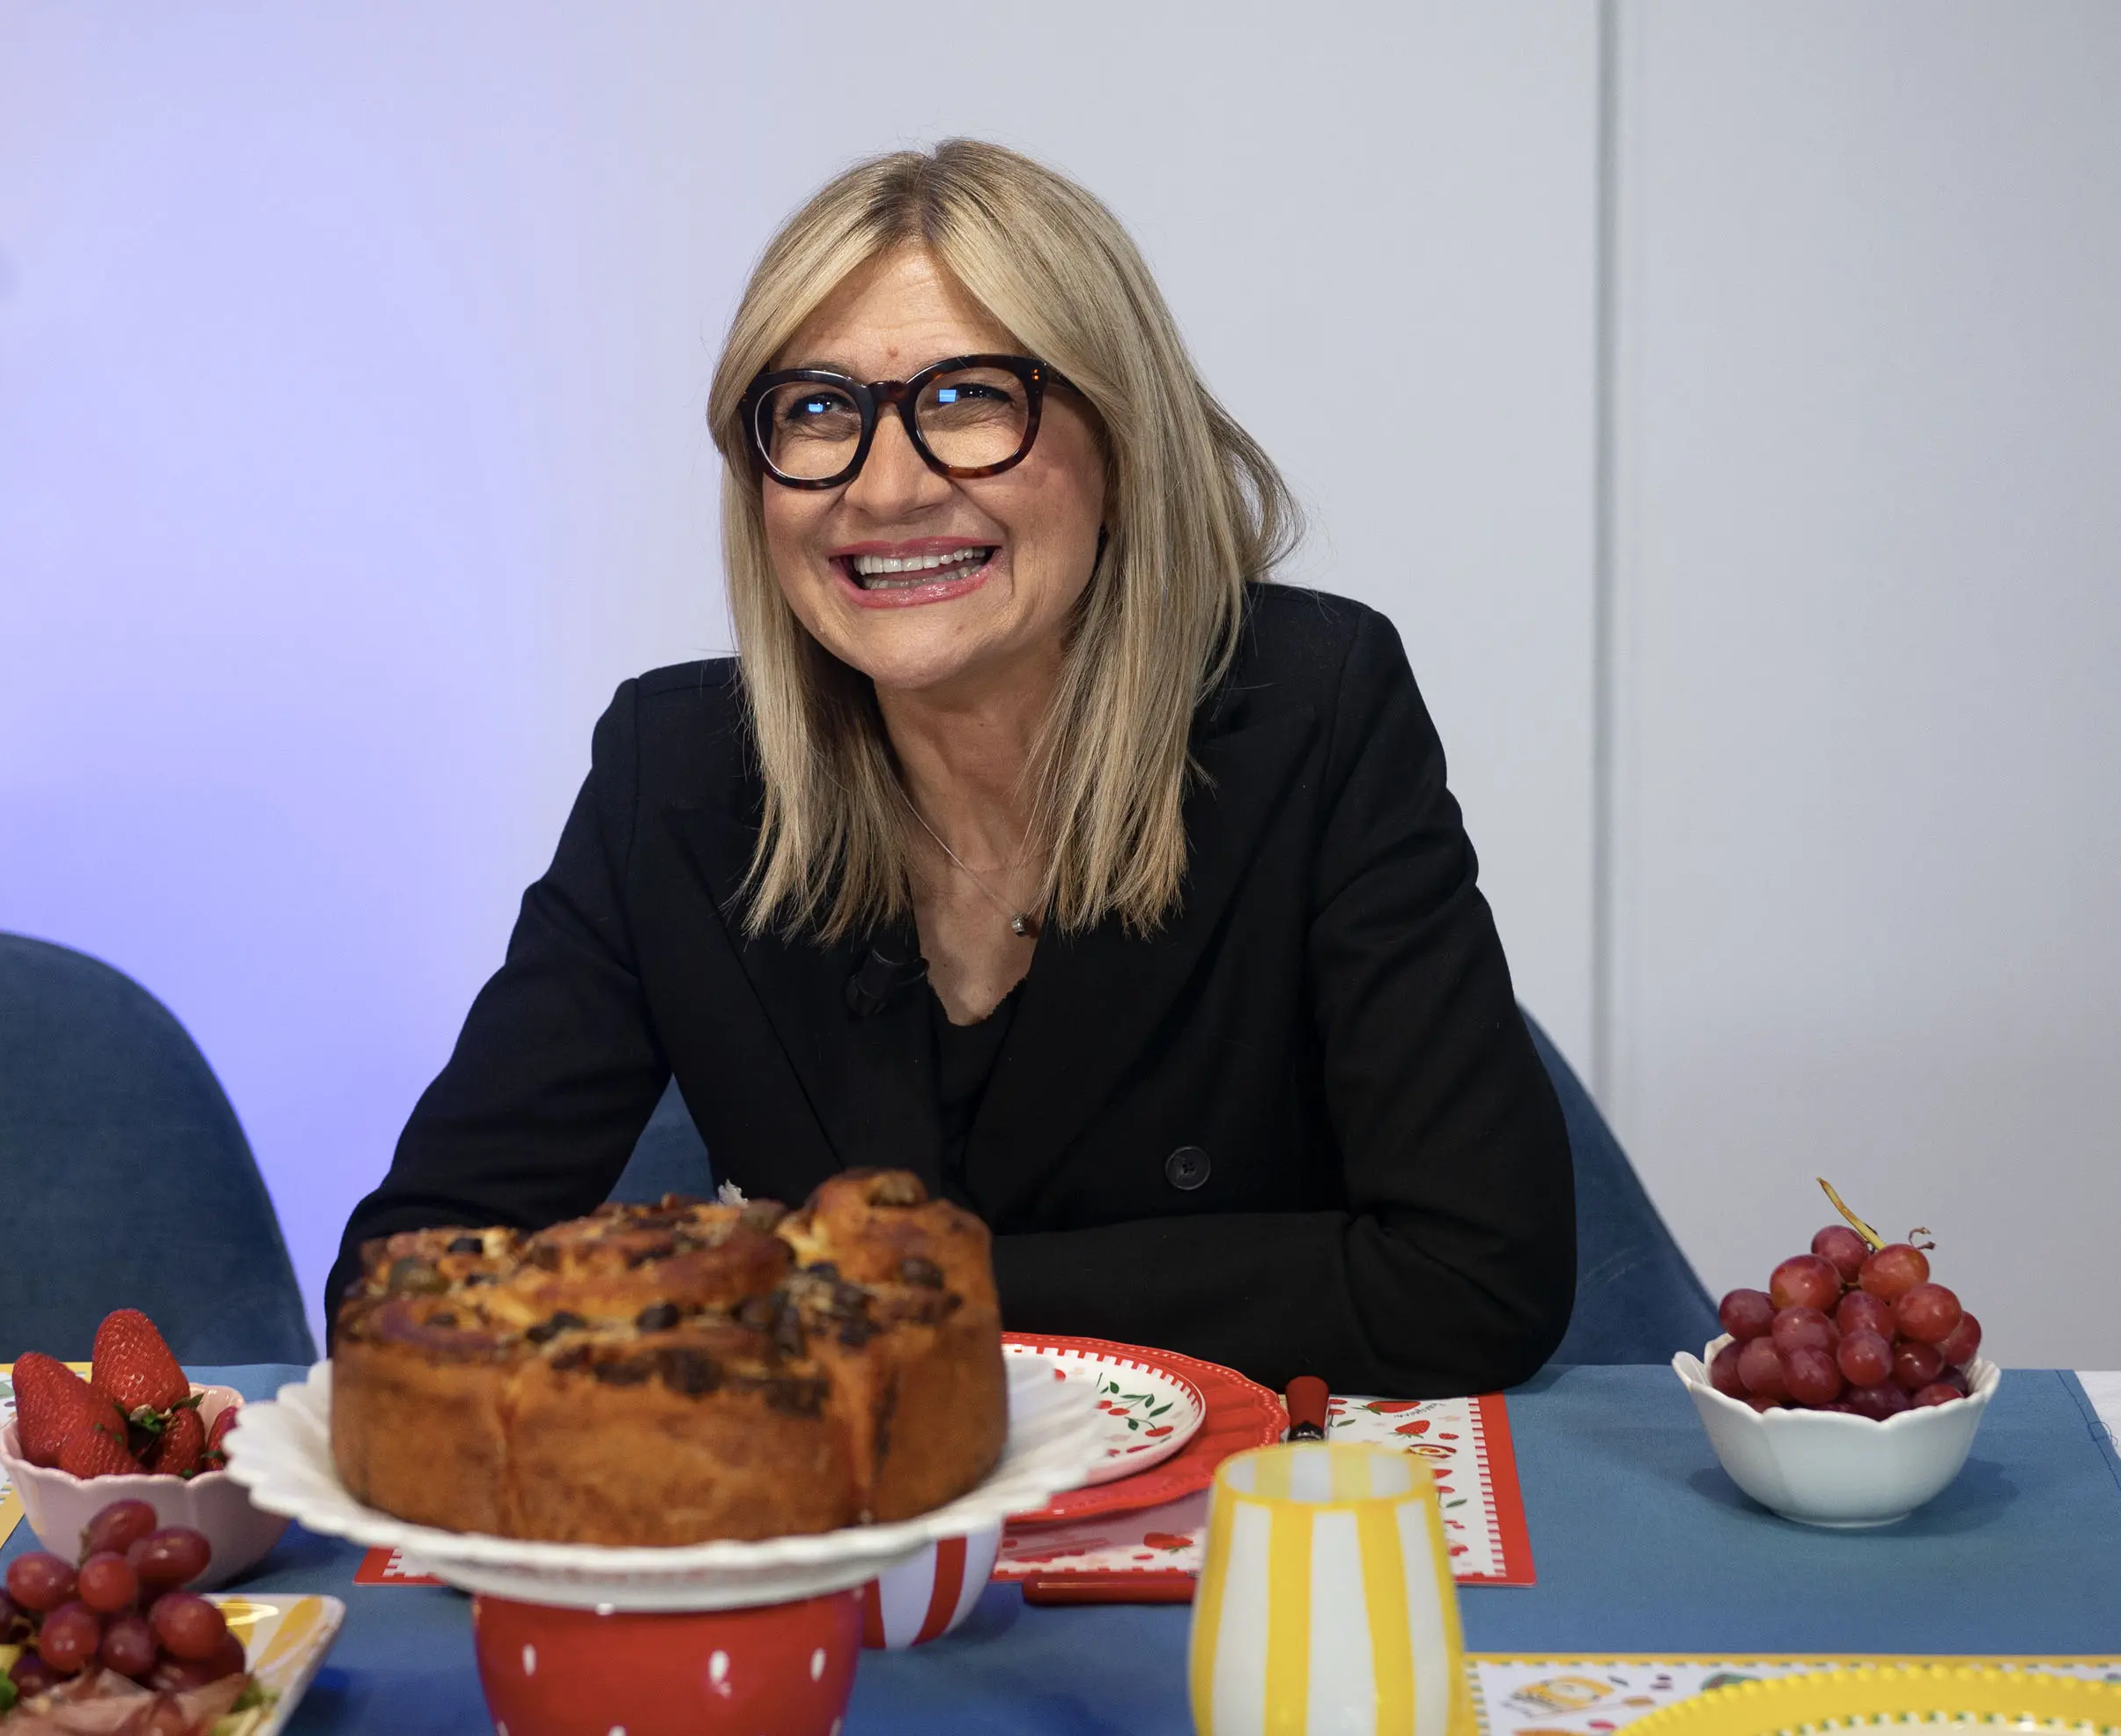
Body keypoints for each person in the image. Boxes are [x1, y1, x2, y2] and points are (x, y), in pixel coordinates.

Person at [328, 140, 1573, 1394]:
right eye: (815, 410)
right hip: (850, 1552)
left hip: (1237, 1547)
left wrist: (845, 1293)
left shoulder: (1314, 709)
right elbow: (400, 1276)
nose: (884, 485)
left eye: (971, 396)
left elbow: (1478, 1280)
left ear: (1122, 445)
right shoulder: (678, 770)